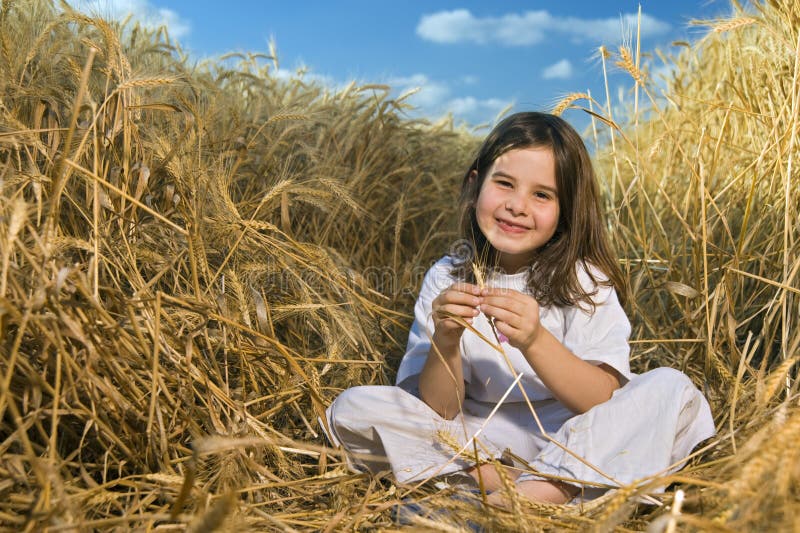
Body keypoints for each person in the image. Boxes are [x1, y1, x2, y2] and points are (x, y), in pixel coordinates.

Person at [323, 112, 715, 506]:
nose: (517, 206)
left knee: (670, 388)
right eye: (505, 184)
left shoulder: (584, 280)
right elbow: (441, 411)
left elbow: (600, 400)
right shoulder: (446, 277)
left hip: (577, 435)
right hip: (480, 442)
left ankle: (526, 492)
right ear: (476, 185)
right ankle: (538, 487)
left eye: (542, 195)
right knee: (354, 408)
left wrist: (535, 340)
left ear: (567, 209)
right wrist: (445, 340)